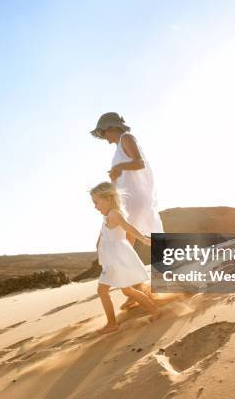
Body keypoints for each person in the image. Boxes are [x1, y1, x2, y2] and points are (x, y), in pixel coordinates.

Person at [90, 112, 164, 309]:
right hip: (128, 201)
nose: (103, 136)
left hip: (135, 200)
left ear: (111, 127)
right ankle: (136, 290)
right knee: (125, 247)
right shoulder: (117, 148)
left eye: (103, 132)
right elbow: (123, 175)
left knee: (124, 247)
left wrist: (120, 167)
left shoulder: (127, 138)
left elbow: (139, 163)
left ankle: (136, 291)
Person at [90, 182, 161, 334]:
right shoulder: (108, 216)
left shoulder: (114, 214)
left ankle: (112, 323)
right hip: (112, 260)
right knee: (127, 291)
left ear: (108, 199)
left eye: (96, 202)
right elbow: (106, 234)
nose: (95, 206)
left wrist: (143, 239)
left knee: (102, 290)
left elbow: (128, 228)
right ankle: (154, 309)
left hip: (116, 260)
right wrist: (99, 242)